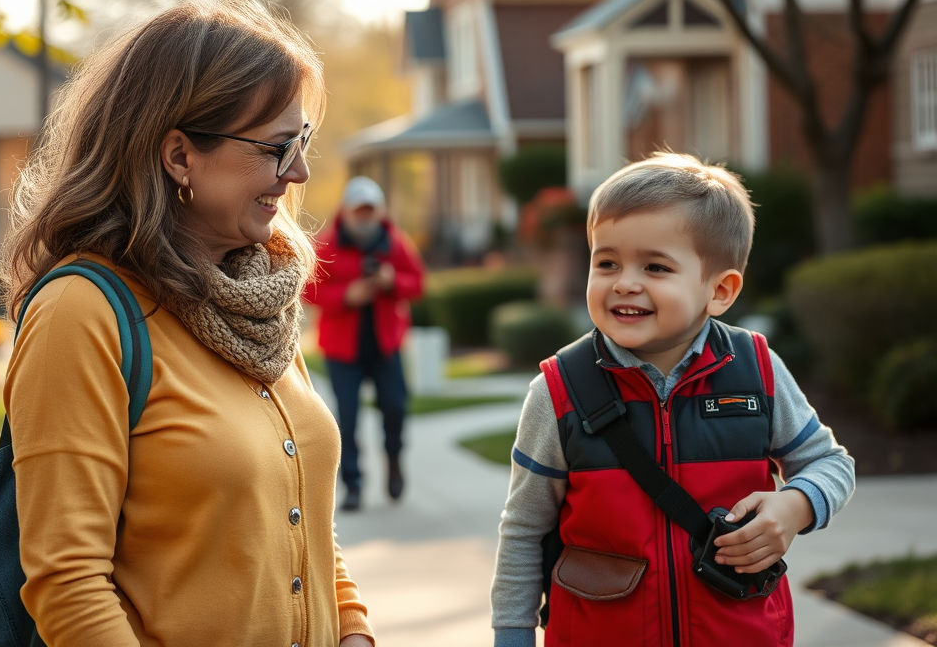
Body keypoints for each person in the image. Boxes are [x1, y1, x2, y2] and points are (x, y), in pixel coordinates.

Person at [0, 0, 374, 647]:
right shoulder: (81, 312)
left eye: (303, 142)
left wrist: (353, 631)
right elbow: (68, 584)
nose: (300, 172)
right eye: (278, 147)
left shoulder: (257, 302)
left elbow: (300, 522)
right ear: (179, 156)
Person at [490, 153, 855, 647]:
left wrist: (796, 506)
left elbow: (831, 464)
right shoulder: (558, 391)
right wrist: (512, 637)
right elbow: (524, 532)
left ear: (719, 290)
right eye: (607, 262)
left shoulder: (757, 371)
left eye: (655, 266)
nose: (625, 282)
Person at [304, 176, 425, 511]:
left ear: (379, 211)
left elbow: (418, 283)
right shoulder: (327, 245)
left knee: (395, 407)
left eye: (370, 210)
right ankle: (353, 485)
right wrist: (347, 295)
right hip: (342, 348)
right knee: (348, 417)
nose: (364, 217)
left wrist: (392, 281)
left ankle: (394, 460)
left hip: (386, 344)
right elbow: (308, 288)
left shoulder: (395, 242)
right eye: (359, 210)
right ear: (346, 211)